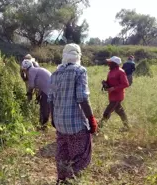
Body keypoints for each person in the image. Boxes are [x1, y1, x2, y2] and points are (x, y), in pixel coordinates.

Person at [48, 43, 98, 184]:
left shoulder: (55, 73)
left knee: (62, 155)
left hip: (60, 124)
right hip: (76, 125)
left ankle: (61, 180)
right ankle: (73, 182)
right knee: (79, 158)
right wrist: (91, 119)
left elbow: (50, 99)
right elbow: (82, 98)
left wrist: (53, 118)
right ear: (78, 56)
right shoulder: (80, 71)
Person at [100, 56, 130, 131]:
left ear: (114, 63)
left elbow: (126, 84)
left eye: (110, 62)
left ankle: (99, 127)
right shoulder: (110, 71)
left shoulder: (121, 72)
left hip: (117, 96)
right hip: (112, 95)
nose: (108, 63)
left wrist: (114, 88)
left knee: (107, 111)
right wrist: (105, 83)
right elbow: (110, 83)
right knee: (119, 111)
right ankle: (127, 127)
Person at [21, 59, 51, 130]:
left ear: (25, 69)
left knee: (44, 106)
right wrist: (38, 95)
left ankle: (43, 125)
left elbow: (31, 85)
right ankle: (43, 123)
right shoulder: (35, 70)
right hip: (48, 88)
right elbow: (40, 83)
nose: (24, 71)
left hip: (48, 90)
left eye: (24, 70)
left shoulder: (31, 71)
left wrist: (29, 93)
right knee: (44, 105)